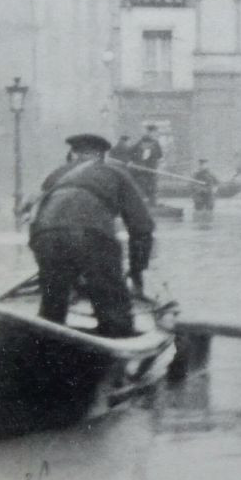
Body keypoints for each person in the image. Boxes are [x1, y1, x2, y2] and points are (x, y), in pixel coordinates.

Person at [28, 133, 155, 337]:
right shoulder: (116, 172)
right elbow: (142, 226)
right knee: (113, 306)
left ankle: (46, 349)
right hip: (91, 234)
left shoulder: (56, 175)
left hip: (44, 235)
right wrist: (137, 270)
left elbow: (35, 215)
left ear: (72, 155)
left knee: (52, 305)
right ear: (103, 156)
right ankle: (115, 349)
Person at [130, 126, 164, 203]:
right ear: (150, 132)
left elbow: (159, 155)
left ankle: (150, 200)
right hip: (147, 169)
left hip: (147, 168)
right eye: (155, 132)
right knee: (148, 184)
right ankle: (150, 201)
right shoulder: (150, 143)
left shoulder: (144, 142)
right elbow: (158, 155)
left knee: (148, 185)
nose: (156, 134)